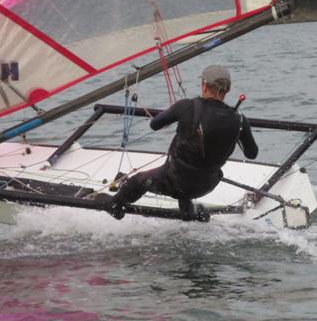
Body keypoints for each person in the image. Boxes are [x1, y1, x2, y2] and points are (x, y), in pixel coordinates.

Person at [108, 64, 258, 221]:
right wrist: (236, 133)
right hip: (206, 185)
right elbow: (251, 154)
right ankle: (188, 213)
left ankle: (114, 207)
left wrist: (178, 116)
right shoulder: (240, 119)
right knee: (190, 169)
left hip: (175, 181)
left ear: (204, 85)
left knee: (138, 181)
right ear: (227, 90)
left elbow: (155, 124)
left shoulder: (186, 106)